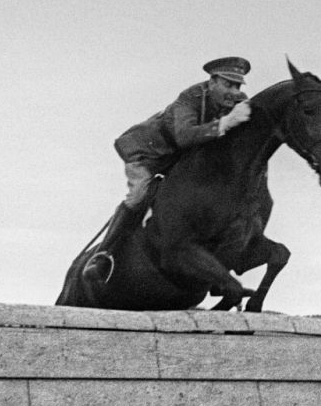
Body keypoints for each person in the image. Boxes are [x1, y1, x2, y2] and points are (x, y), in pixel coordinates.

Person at [82, 57, 253, 282]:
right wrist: (225, 123)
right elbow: (184, 137)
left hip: (176, 160)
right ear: (212, 82)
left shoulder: (239, 102)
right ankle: (103, 255)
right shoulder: (189, 99)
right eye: (228, 84)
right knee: (139, 195)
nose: (234, 92)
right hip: (147, 154)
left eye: (237, 86)